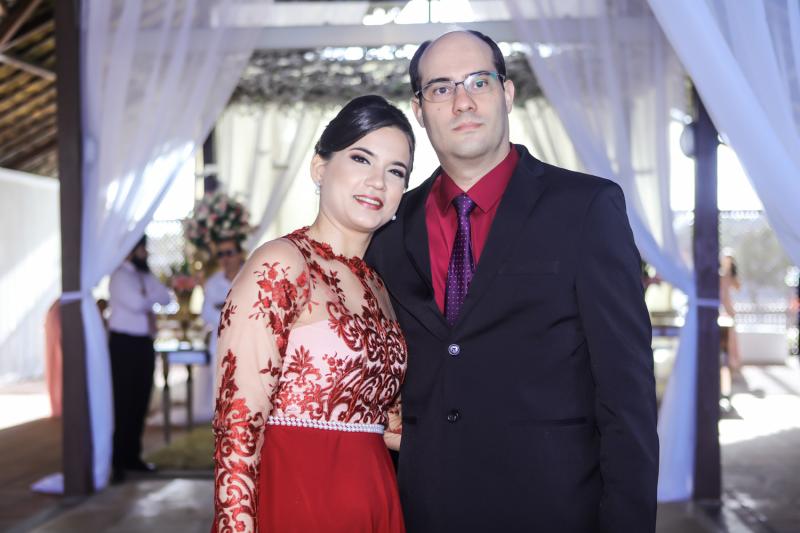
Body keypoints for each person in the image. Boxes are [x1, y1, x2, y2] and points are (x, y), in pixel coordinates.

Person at [366, 31, 658, 532]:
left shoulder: (585, 208)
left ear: (506, 92)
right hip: (424, 510)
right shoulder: (390, 229)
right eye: (440, 88)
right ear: (418, 109)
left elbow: (626, 395)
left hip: (554, 510)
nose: (462, 101)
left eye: (478, 82)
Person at [211, 95, 414, 532]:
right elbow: (238, 423)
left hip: (375, 497)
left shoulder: (378, 286)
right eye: (361, 159)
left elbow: (390, 424)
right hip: (297, 497)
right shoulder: (281, 264)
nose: (377, 182)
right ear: (320, 168)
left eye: (395, 171)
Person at [108, 235, 171, 483]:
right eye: (142, 248)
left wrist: (149, 295)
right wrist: (149, 297)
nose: (146, 253)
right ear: (131, 250)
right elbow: (136, 304)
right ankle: (117, 461)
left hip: (144, 343)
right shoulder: (119, 276)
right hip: (124, 345)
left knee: (140, 400)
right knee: (122, 402)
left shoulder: (145, 275)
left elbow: (166, 297)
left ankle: (133, 456)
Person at [197, 237, 246, 421]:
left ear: (239, 254)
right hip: (220, 346)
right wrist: (234, 313)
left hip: (248, 345)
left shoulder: (252, 276)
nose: (225, 258)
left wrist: (223, 309)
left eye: (229, 253)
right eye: (220, 254)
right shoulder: (212, 283)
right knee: (221, 398)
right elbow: (206, 313)